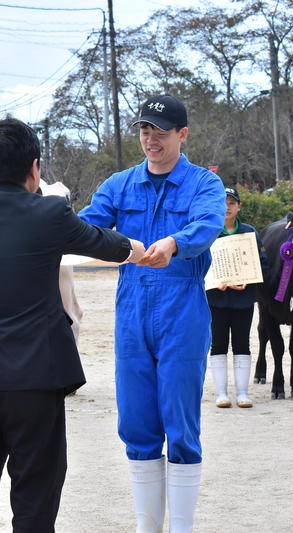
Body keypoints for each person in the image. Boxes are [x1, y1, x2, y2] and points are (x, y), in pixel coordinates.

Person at [0, 118, 145, 532]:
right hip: (34, 373)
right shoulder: (50, 212)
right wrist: (138, 249)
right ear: (35, 167)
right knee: (36, 493)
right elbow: (102, 242)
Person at [78, 94, 225, 533]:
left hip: (182, 305)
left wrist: (174, 244)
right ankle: (147, 526)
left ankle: (180, 528)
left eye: (160, 131)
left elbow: (207, 224)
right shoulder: (119, 184)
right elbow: (86, 226)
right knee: (136, 420)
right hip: (131, 308)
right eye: (144, 130)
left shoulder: (204, 183)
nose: (150, 139)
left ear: (182, 134)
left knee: (180, 420)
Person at [206, 186, 269, 409]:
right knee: (218, 344)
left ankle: (243, 393)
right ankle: (221, 393)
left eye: (231, 203)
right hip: (216, 299)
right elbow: (200, 266)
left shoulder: (250, 232)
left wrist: (248, 280)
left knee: (243, 343)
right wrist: (216, 283)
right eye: (223, 203)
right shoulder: (209, 231)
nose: (227, 208)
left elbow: (263, 264)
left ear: (239, 206)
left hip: (243, 300)